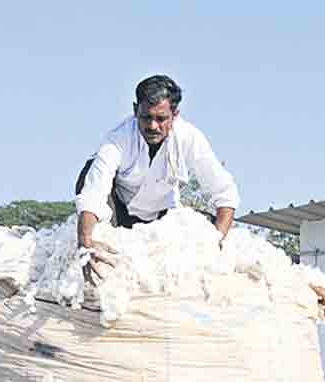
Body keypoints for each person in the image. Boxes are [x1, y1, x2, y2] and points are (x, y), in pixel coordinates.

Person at [75, 74, 240, 270]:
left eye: (161, 119)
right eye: (146, 117)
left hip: (161, 218)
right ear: (135, 110)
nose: (152, 126)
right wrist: (85, 243)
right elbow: (94, 191)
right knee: (90, 170)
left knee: (207, 230)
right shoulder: (118, 139)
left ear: (175, 114)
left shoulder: (189, 137)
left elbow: (224, 191)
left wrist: (216, 240)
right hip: (118, 212)